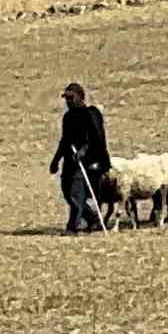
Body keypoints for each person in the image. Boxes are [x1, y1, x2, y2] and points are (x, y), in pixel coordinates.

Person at [49, 81, 110, 234]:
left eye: (71, 98)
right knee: (67, 191)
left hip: (88, 162)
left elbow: (97, 136)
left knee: (77, 194)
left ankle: (72, 227)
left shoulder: (91, 113)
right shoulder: (68, 117)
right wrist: (56, 160)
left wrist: (84, 150)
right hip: (71, 161)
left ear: (80, 97)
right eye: (66, 98)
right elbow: (65, 141)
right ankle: (92, 218)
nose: (68, 101)